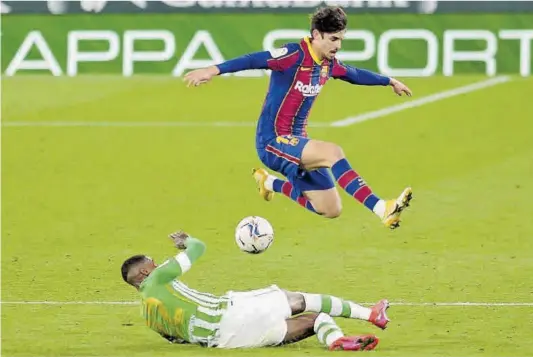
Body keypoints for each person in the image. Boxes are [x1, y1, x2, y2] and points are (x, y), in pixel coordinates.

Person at [184, 6, 414, 229]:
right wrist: (212, 70)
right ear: (316, 34)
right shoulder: (293, 55)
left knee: (330, 208)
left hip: (298, 142)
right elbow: (253, 59)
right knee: (332, 152)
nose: (338, 45)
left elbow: (354, 74)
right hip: (272, 141)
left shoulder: (328, 64)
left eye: (341, 39)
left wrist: (389, 81)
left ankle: (270, 183)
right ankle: (381, 207)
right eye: (333, 39)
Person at [121, 231, 391, 351]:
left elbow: (175, 339)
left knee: (314, 320)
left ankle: (335, 341)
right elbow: (198, 248)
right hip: (230, 313)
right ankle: (371, 315)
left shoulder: (148, 315)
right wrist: (185, 241)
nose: (156, 265)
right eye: (152, 264)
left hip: (227, 341)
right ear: (144, 273)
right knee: (299, 301)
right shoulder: (157, 276)